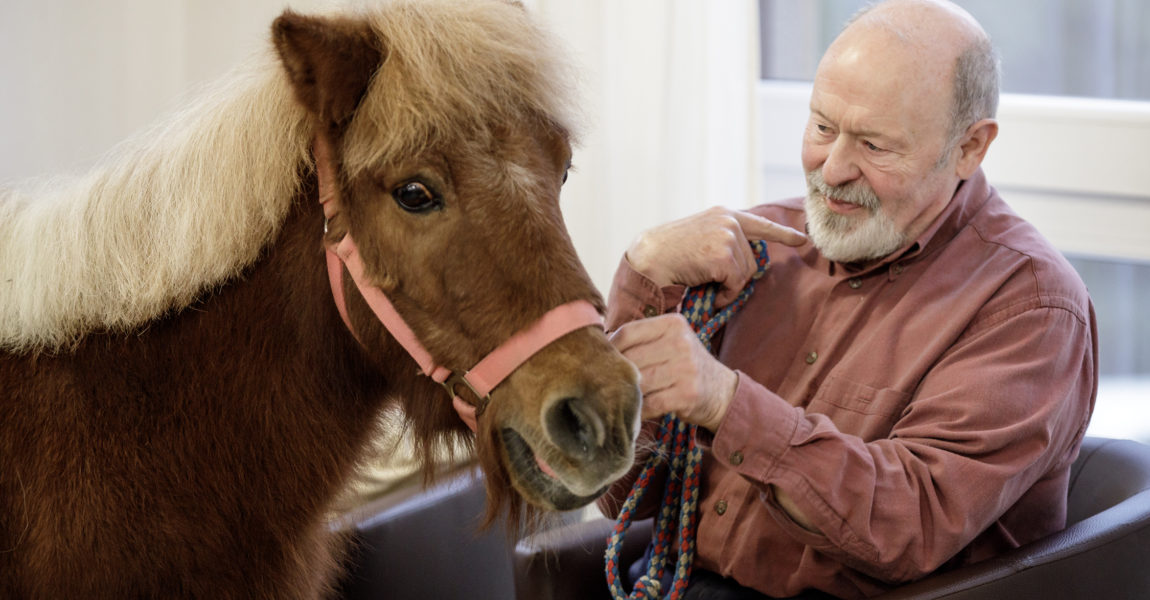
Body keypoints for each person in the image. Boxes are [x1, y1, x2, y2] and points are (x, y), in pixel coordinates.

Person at [598, 1, 1097, 598]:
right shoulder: (754, 248)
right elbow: (621, 493)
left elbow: (907, 527)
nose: (831, 169)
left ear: (970, 147)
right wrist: (643, 274)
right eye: (822, 127)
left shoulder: (1031, 308)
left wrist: (726, 404)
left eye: (875, 146)